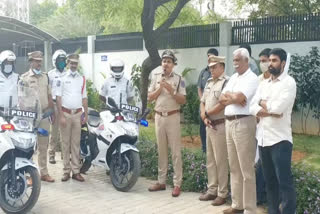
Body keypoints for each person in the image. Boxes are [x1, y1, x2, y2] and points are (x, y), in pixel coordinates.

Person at [250, 48, 297, 214]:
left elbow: (278, 109)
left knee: (284, 183)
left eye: (274, 60)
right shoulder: (263, 84)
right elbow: (252, 106)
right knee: (270, 183)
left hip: (280, 140)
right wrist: (267, 108)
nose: (270, 64)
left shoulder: (289, 83)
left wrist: (264, 105)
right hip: (263, 138)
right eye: (269, 60)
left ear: (283, 63)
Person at [219, 48, 259, 214]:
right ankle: (237, 205)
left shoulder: (252, 78)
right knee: (234, 166)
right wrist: (233, 97)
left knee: (246, 168)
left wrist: (234, 97)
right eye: (233, 60)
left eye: (237, 60)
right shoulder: (234, 77)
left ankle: (249, 209)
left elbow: (240, 98)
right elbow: (222, 98)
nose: (234, 63)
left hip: (244, 123)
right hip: (229, 123)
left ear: (246, 60)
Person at [147, 50, 186, 197]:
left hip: (173, 117)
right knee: (161, 151)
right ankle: (161, 181)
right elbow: (150, 97)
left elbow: (183, 100)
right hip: (159, 117)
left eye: (169, 62)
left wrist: (171, 90)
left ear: (173, 64)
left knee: (175, 152)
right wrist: (160, 88)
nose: (165, 64)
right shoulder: (155, 76)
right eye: (164, 61)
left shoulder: (179, 78)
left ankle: (177, 184)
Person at [20, 51, 55, 183]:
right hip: (30, 118)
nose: (39, 63)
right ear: (31, 62)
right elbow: (21, 99)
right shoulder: (24, 78)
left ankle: (44, 173)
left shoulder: (45, 77)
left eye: (40, 61)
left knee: (43, 145)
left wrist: (52, 111)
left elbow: (49, 95)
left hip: (44, 116)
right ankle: (29, 175)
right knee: (29, 146)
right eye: (36, 61)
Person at [199, 55, 229, 206]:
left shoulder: (226, 82)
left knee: (221, 160)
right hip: (209, 124)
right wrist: (204, 117)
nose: (211, 69)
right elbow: (202, 101)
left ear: (222, 67)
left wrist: (208, 114)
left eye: (214, 67)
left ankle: (222, 193)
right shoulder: (209, 82)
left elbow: (223, 104)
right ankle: (212, 190)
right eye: (210, 67)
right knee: (210, 159)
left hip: (220, 125)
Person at [56, 53, 88, 182]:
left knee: (76, 144)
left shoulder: (82, 79)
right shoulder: (62, 78)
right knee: (65, 144)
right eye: (72, 63)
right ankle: (65, 171)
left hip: (77, 114)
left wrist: (85, 113)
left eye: (76, 63)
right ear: (68, 63)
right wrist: (61, 116)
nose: (74, 65)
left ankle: (76, 171)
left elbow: (84, 97)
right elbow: (58, 97)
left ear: (77, 64)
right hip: (66, 114)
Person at [255, 48, 271, 205]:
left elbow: (275, 108)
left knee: (266, 162)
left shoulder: (279, 81)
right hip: (257, 126)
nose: (263, 64)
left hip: (272, 128)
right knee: (259, 161)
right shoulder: (258, 80)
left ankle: (264, 194)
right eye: (261, 61)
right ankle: (260, 194)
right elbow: (253, 103)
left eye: (265, 60)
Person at [48, 49, 68, 164]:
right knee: (54, 132)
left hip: (65, 105)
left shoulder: (68, 74)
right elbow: (48, 92)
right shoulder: (50, 74)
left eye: (63, 60)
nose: (62, 62)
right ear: (55, 61)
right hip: (55, 105)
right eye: (59, 60)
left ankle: (64, 156)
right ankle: (51, 154)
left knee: (64, 132)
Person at [197, 48, 219, 152]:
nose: (209, 58)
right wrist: (202, 101)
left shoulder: (218, 71)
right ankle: (204, 147)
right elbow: (199, 88)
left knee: (213, 125)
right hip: (203, 105)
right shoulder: (203, 72)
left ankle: (213, 147)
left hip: (214, 106)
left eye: (212, 56)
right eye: (208, 56)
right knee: (202, 127)